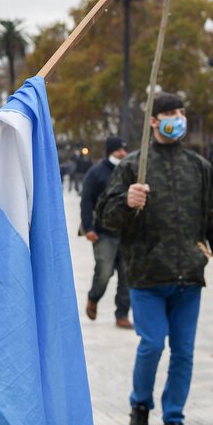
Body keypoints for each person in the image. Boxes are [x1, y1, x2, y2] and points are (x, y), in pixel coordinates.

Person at [97, 92, 213, 425]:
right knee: (153, 344)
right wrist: (128, 201)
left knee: (184, 352)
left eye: (180, 111)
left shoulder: (199, 167)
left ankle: (174, 417)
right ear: (154, 121)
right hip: (147, 276)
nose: (178, 117)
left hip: (189, 276)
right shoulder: (134, 165)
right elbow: (106, 215)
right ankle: (140, 405)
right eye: (170, 112)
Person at [81, 136, 132, 329]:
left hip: (126, 232)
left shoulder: (129, 171)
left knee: (126, 275)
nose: (122, 153)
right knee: (104, 271)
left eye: (124, 150)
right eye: (119, 150)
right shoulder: (95, 173)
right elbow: (86, 201)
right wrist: (88, 227)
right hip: (103, 232)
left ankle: (122, 314)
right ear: (111, 151)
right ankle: (94, 297)